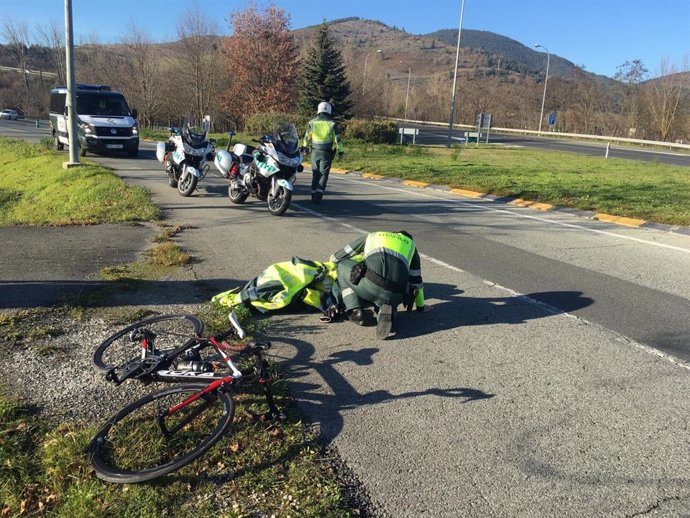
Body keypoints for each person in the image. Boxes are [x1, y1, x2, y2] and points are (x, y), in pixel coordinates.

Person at [326, 230, 425, 340]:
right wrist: (421, 306)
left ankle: (354, 310)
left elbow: (336, 258)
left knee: (341, 265)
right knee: (390, 294)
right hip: (397, 294)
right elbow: (416, 280)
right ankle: (388, 312)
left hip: (370, 286)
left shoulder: (374, 236)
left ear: (394, 234)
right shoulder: (411, 245)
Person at [302, 101, 343, 204]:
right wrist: (341, 152)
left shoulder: (312, 122)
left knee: (315, 173)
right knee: (323, 174)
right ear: (329, 111)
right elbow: (337, 140)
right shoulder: (332, 124)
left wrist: (304, 148)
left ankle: (313, 193)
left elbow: (307, 137)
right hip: (326, 153)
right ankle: (318, 196)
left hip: (314, 152)